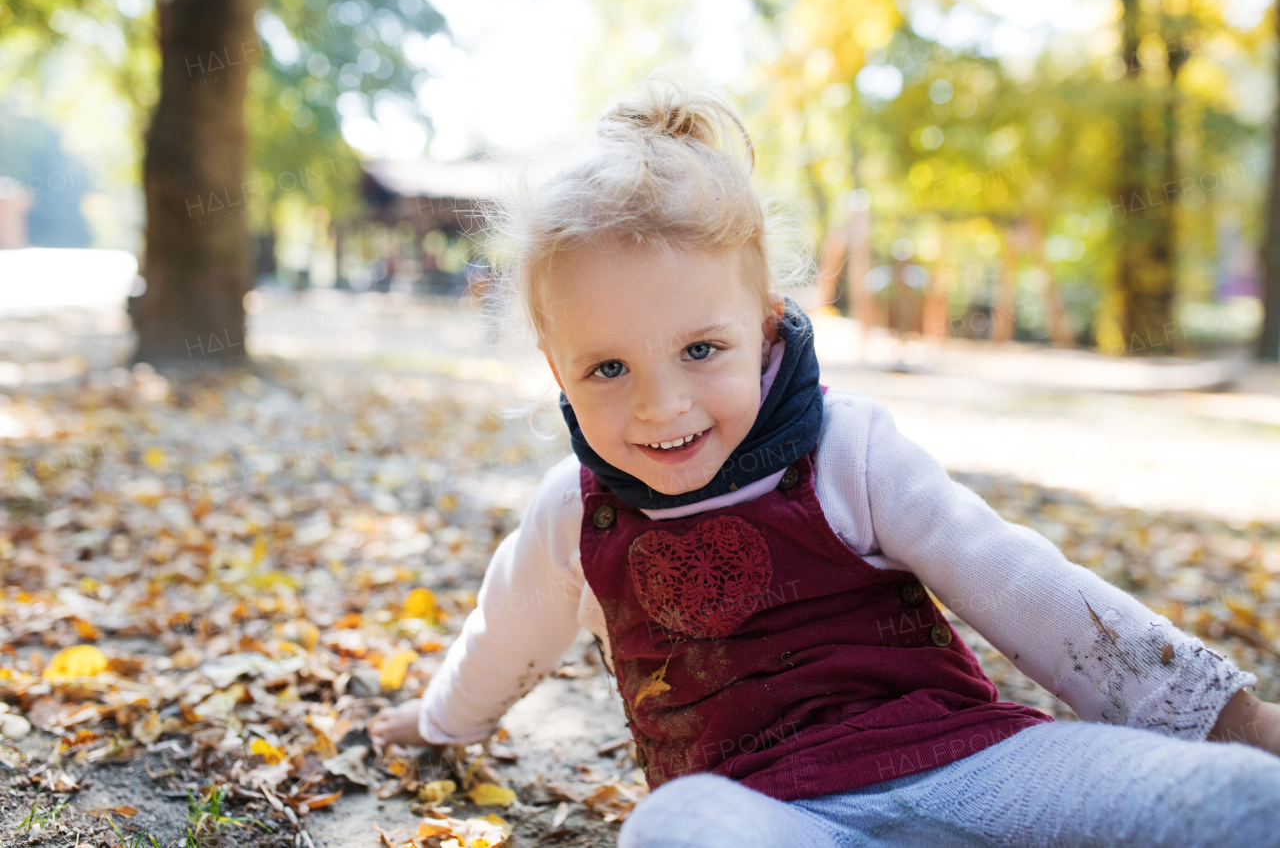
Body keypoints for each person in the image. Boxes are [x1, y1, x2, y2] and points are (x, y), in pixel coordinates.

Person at [368, 76, 1280, 847]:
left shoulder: (848, 449)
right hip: (765, 812)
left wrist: (1225, 721)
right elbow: (506, 631)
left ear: (763, 327)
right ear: (554, 367)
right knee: (668, 825)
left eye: (700, 351)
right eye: (608, 368)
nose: (660, 404)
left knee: (1220, 801)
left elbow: (1022, 585)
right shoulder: (576, 512)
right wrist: (443, 721)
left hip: (973, 761)